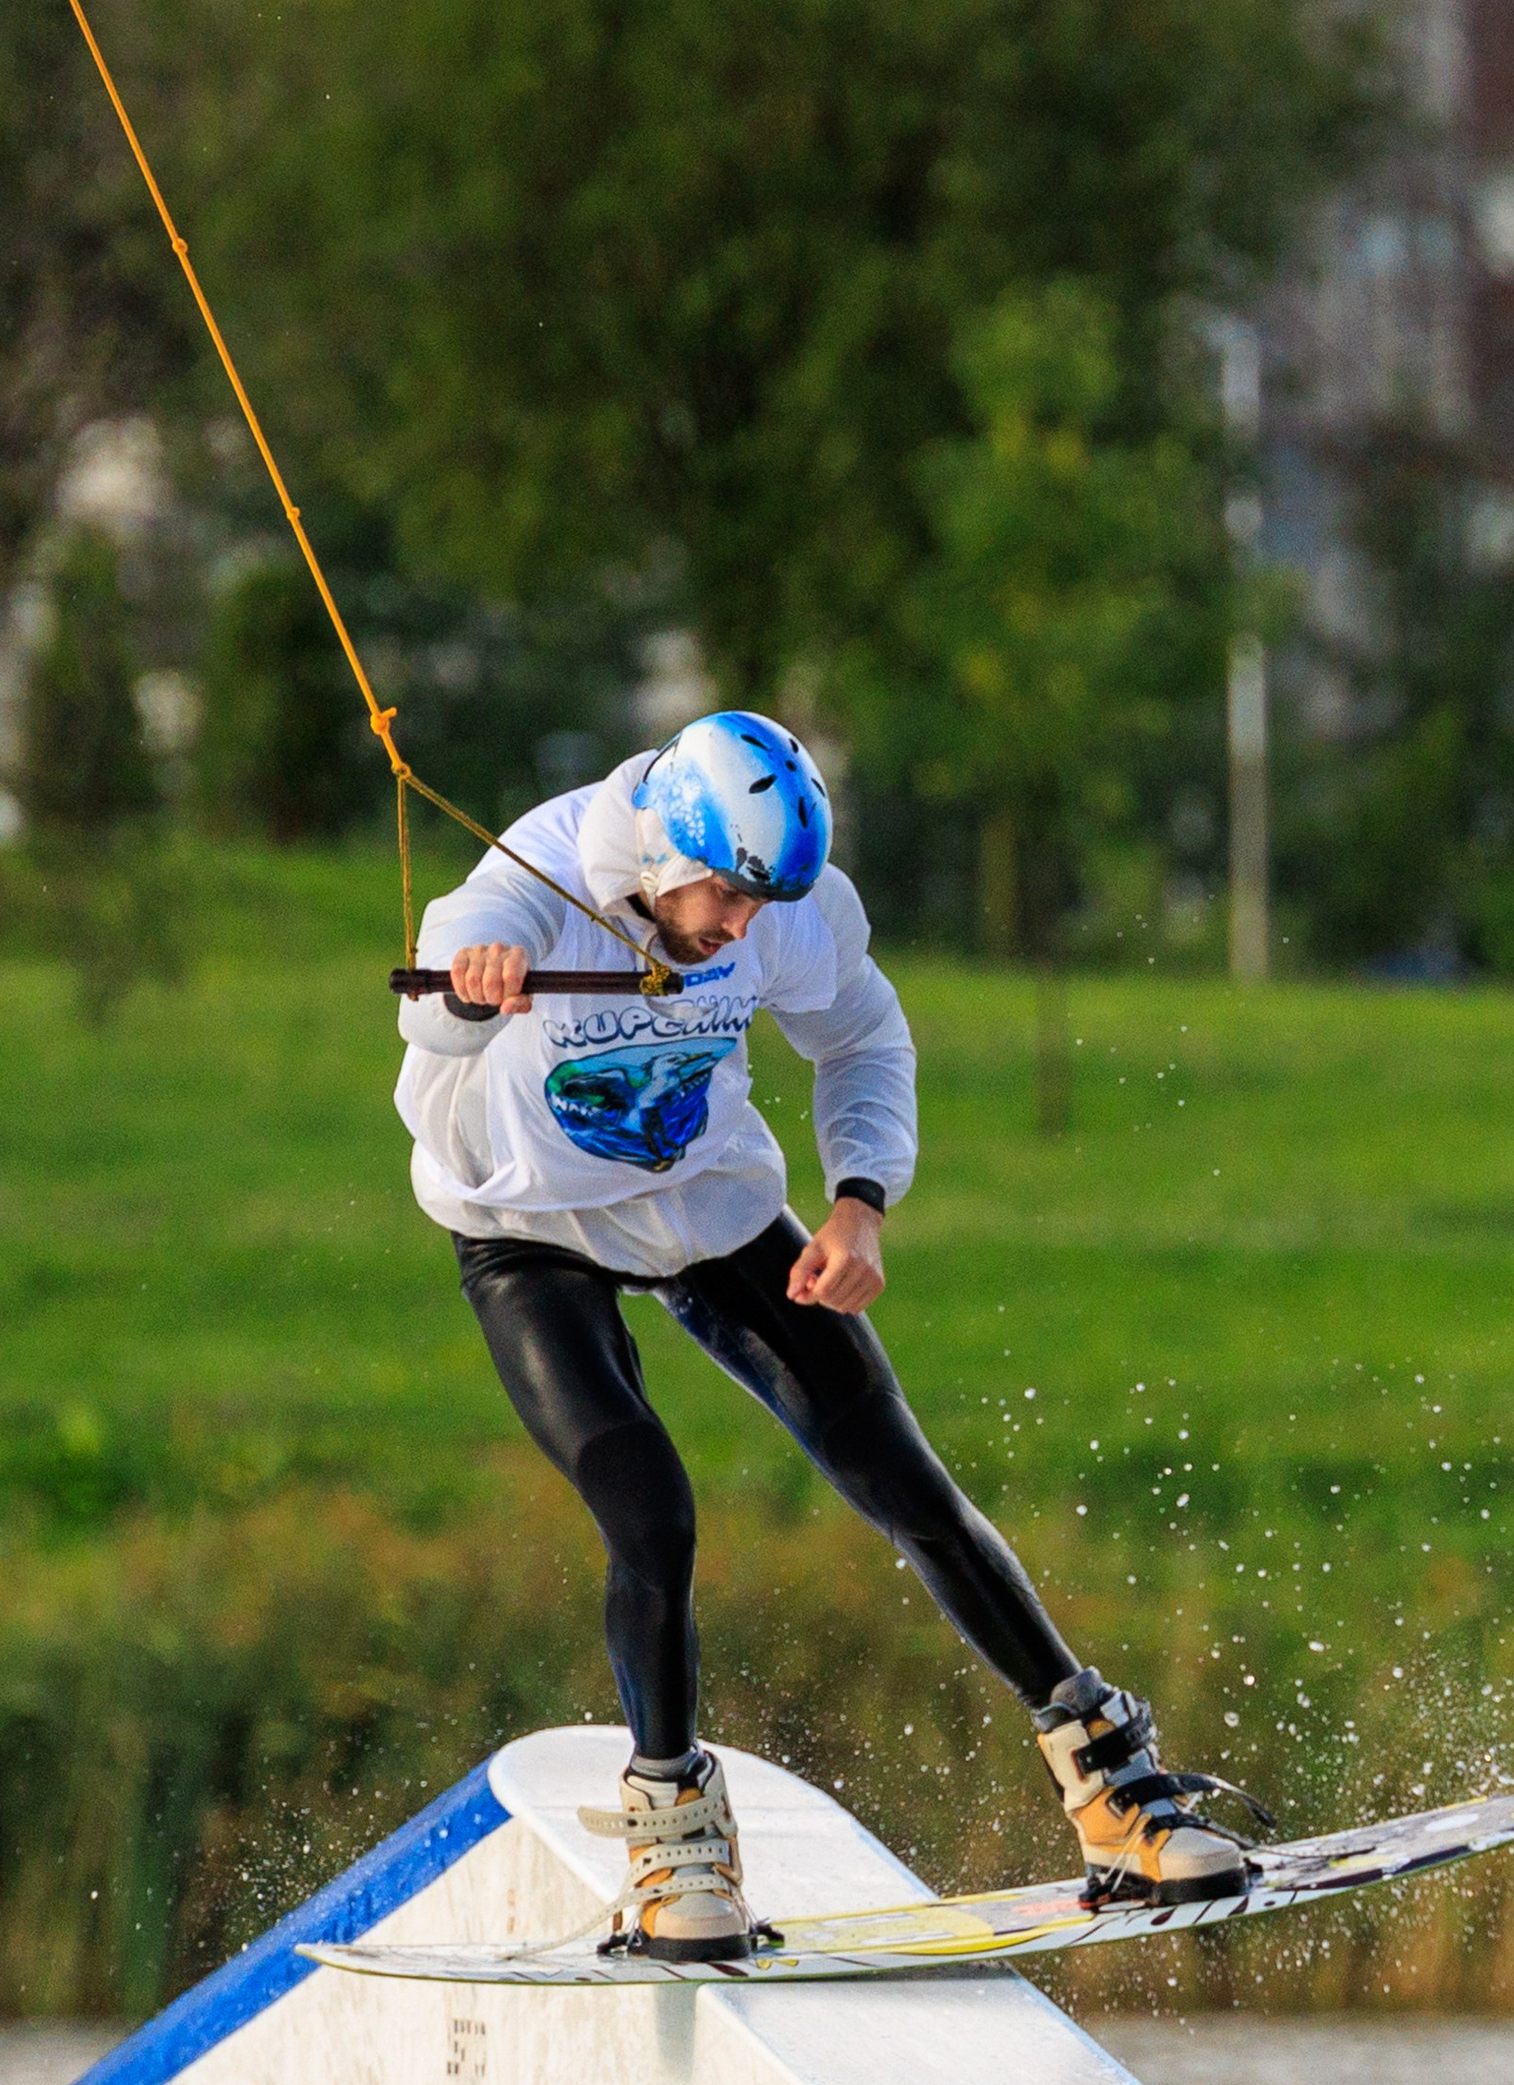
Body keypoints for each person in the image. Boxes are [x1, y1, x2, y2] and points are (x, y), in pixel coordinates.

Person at [399, 707, 1252, 1957]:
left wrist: (859, 1203)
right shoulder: (531, 881)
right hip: (529, 1226)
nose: (744, 929)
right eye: (727, 901)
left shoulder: (784, 908)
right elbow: (432, 1000)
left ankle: (1112, 1792)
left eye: (762, 906)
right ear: (666, 853)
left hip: (706, 1201)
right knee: (650, 1510)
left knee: (906, 1484)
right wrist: (473, 996)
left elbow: (860, 1031)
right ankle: (673, 1836)